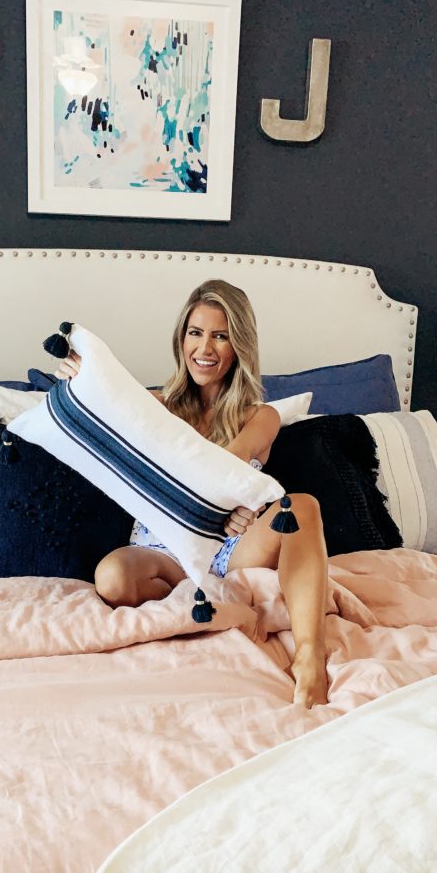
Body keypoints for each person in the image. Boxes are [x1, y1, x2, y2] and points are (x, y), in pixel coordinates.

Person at [54, 279, 329, 708]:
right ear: (181, 339)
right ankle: (231, 614)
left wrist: (234, 511)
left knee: (303, 507)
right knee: (111, 577)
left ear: (239, 345)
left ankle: (311, 655)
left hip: (230, 548)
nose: (205, 348)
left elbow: (225, 468)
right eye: (195, 333)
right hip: (163, 551)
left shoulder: (261, 416)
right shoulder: (155, 406)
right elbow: (99, 405)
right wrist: (78, 378)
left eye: (221, 336)